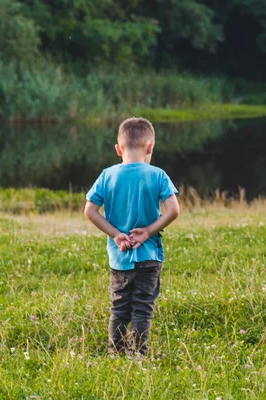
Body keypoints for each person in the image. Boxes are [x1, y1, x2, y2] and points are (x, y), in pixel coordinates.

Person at [84, 117, 180, 357]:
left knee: (119, 307)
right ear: (150, 147)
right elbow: (174, 210)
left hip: (119, 257)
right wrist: (149, 231)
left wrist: (116, 234)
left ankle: (115, 352)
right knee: (142, 308)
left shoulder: (107, 175)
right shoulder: (158, 175)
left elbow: (90, 211)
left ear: (118, 149)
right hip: (149, 256)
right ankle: (137, 354)